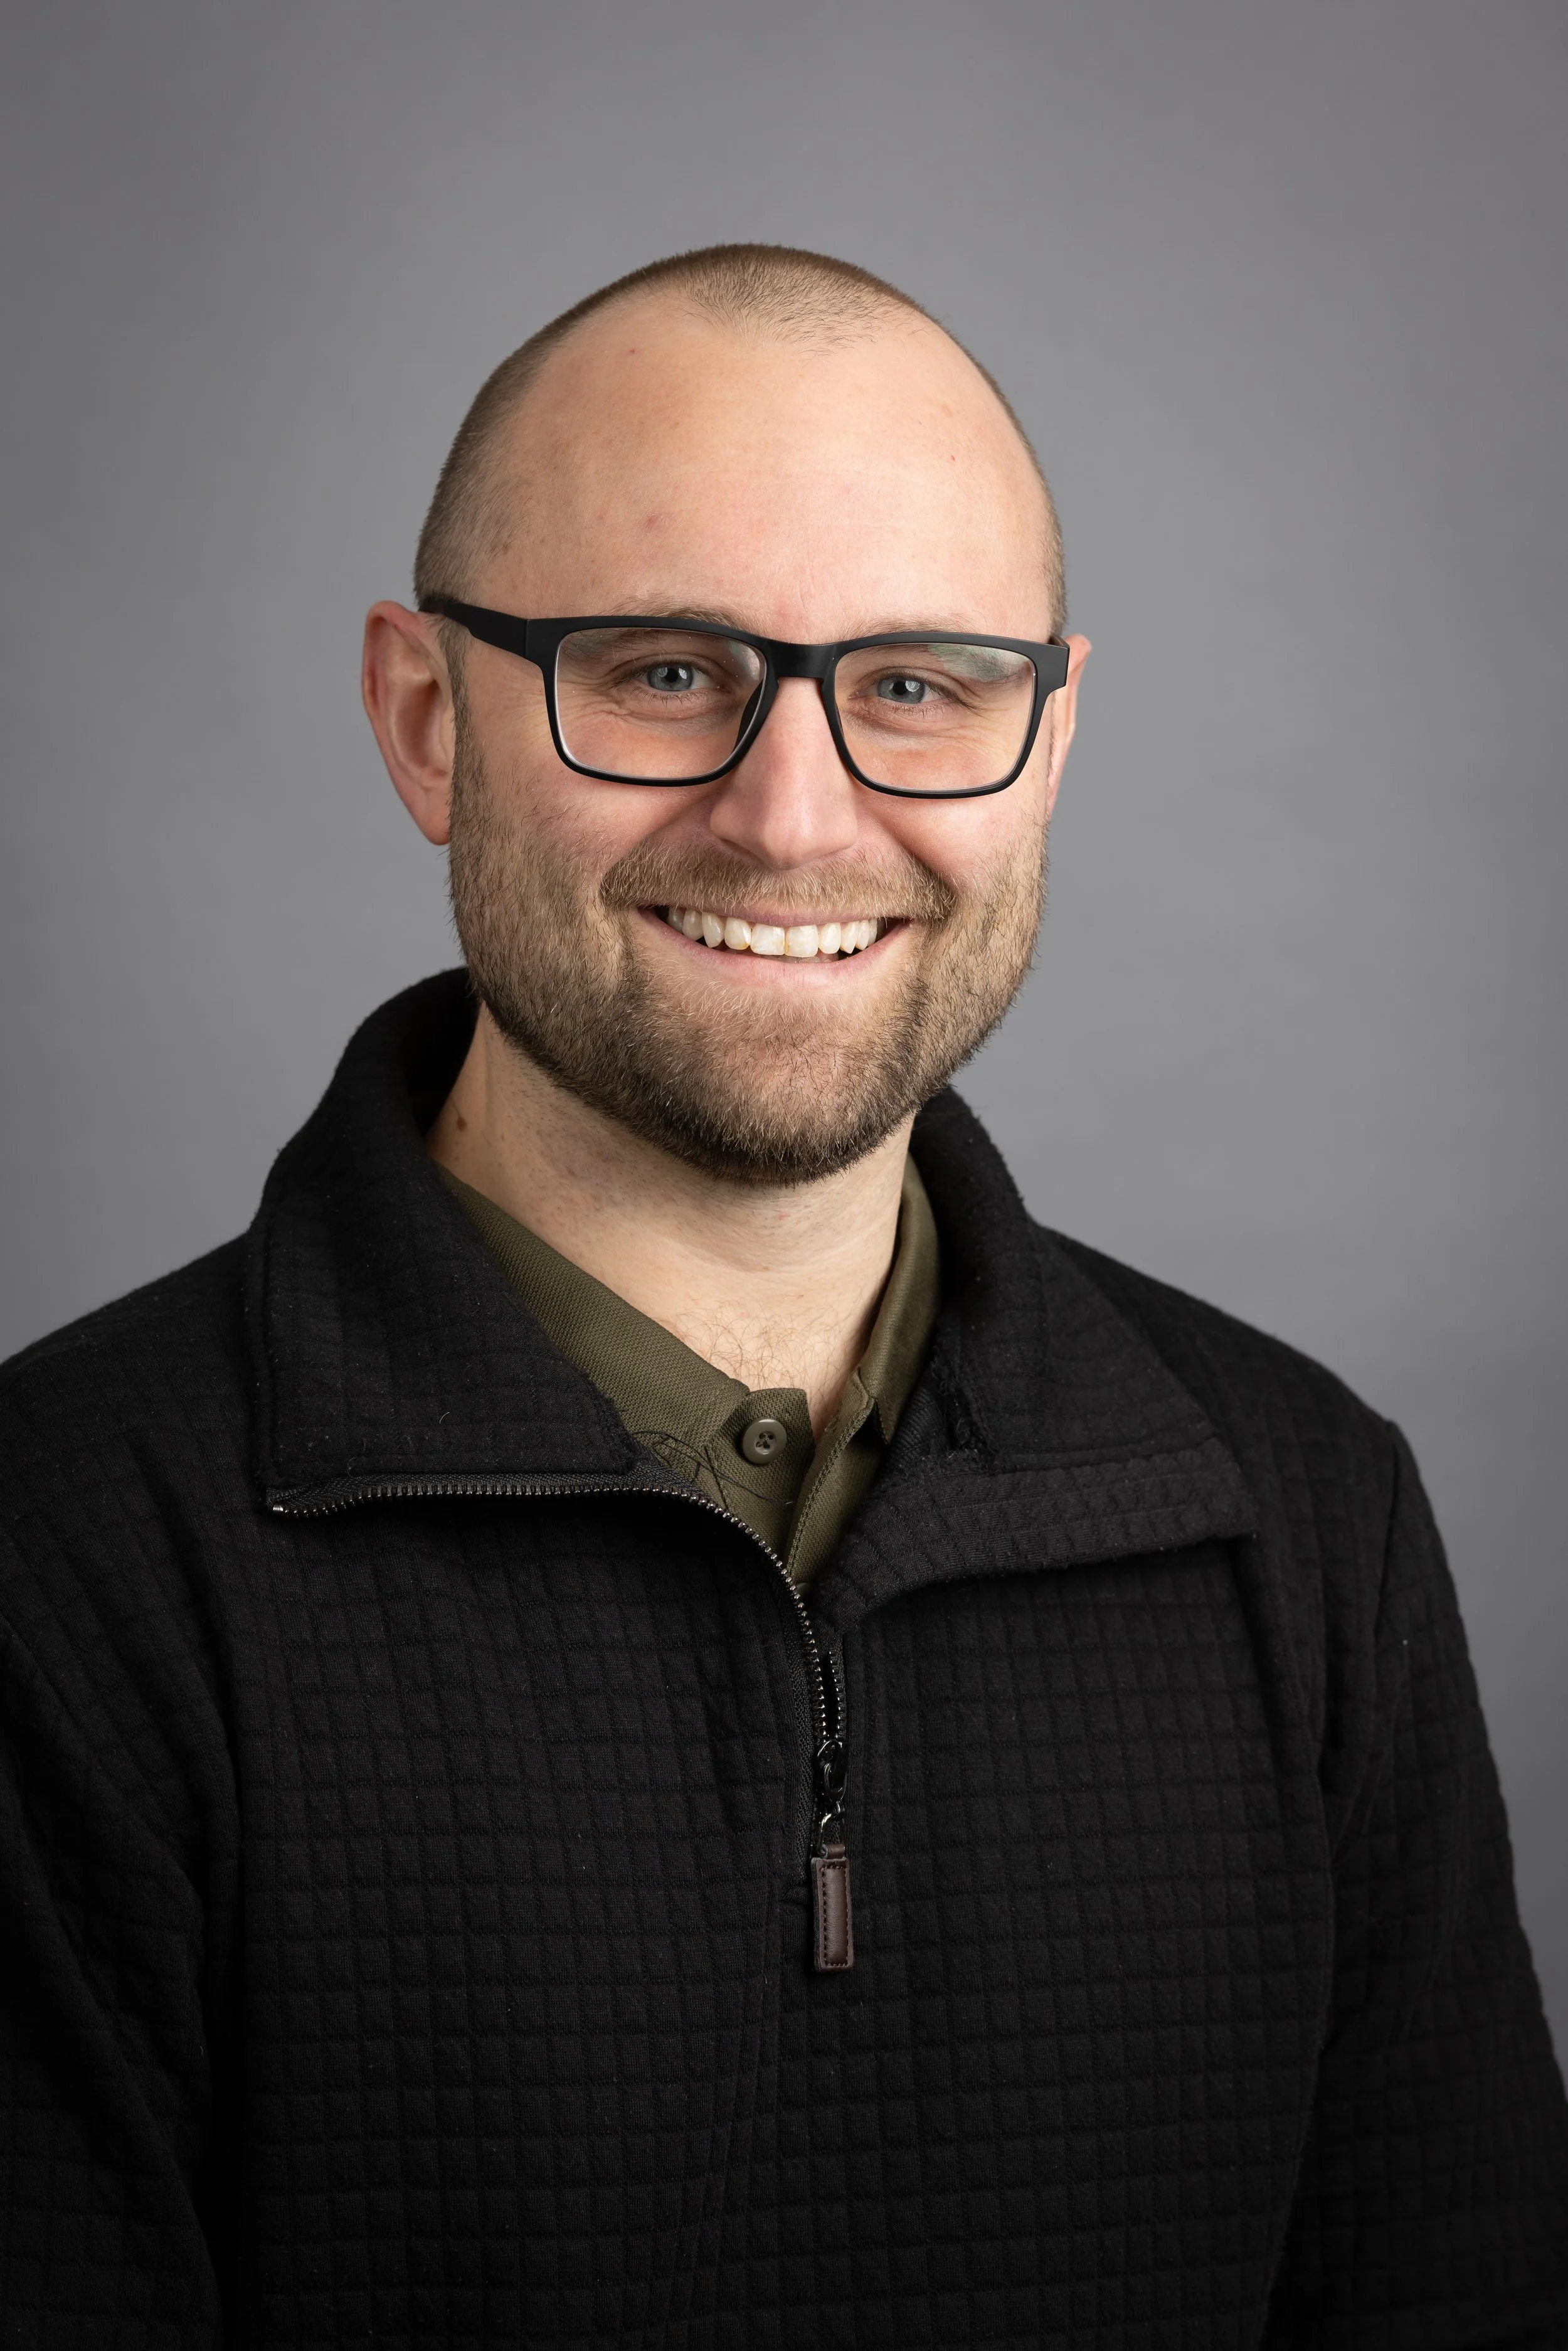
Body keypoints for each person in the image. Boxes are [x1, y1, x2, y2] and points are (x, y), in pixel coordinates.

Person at [1, 242, 1564, 2349]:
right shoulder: (58, 1556)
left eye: (918, 684)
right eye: (660, 669)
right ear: (422, 719)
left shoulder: (1302, 1515)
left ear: (1049, 735)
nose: (793, 815)